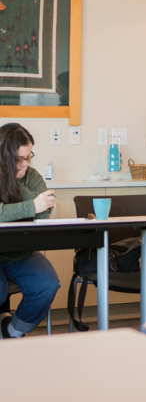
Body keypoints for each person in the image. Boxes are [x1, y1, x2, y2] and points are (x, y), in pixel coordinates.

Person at [0, 123, 59, 339]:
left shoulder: (31, 176)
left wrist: (16, 183)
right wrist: (32, 205)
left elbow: (44, 214)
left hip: (21, 252)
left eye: (28, 156)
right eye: (18, 159)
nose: (25, 163)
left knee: (47, 285)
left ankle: (11, 331)